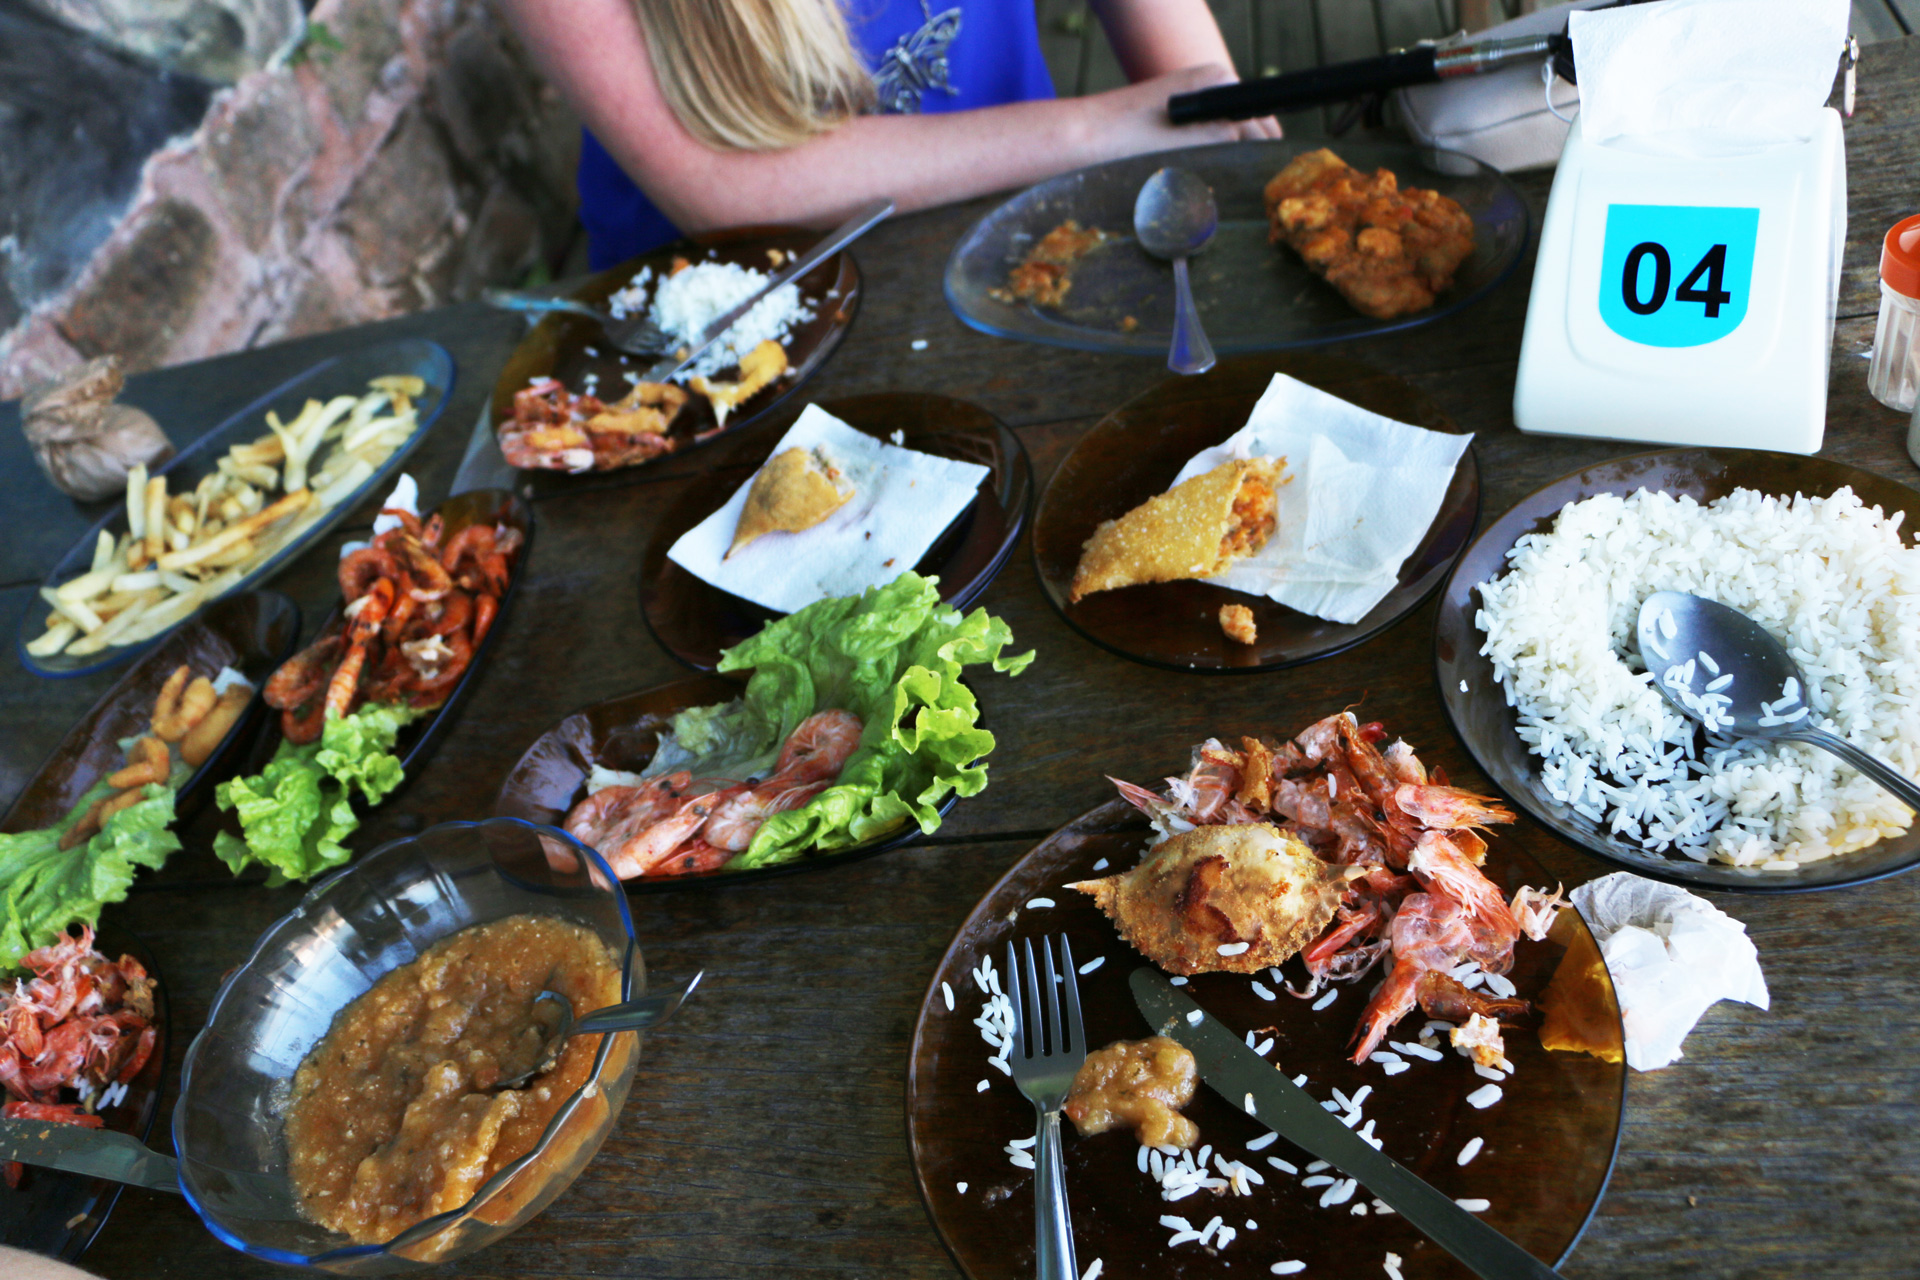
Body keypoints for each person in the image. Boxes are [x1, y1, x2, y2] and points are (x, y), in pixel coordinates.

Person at [495, 0, 1280, 267]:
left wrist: (1213, 108)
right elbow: (719, 187)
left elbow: (1193, 71)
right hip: (732, 323)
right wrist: (1114, 123)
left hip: (1026, 244)